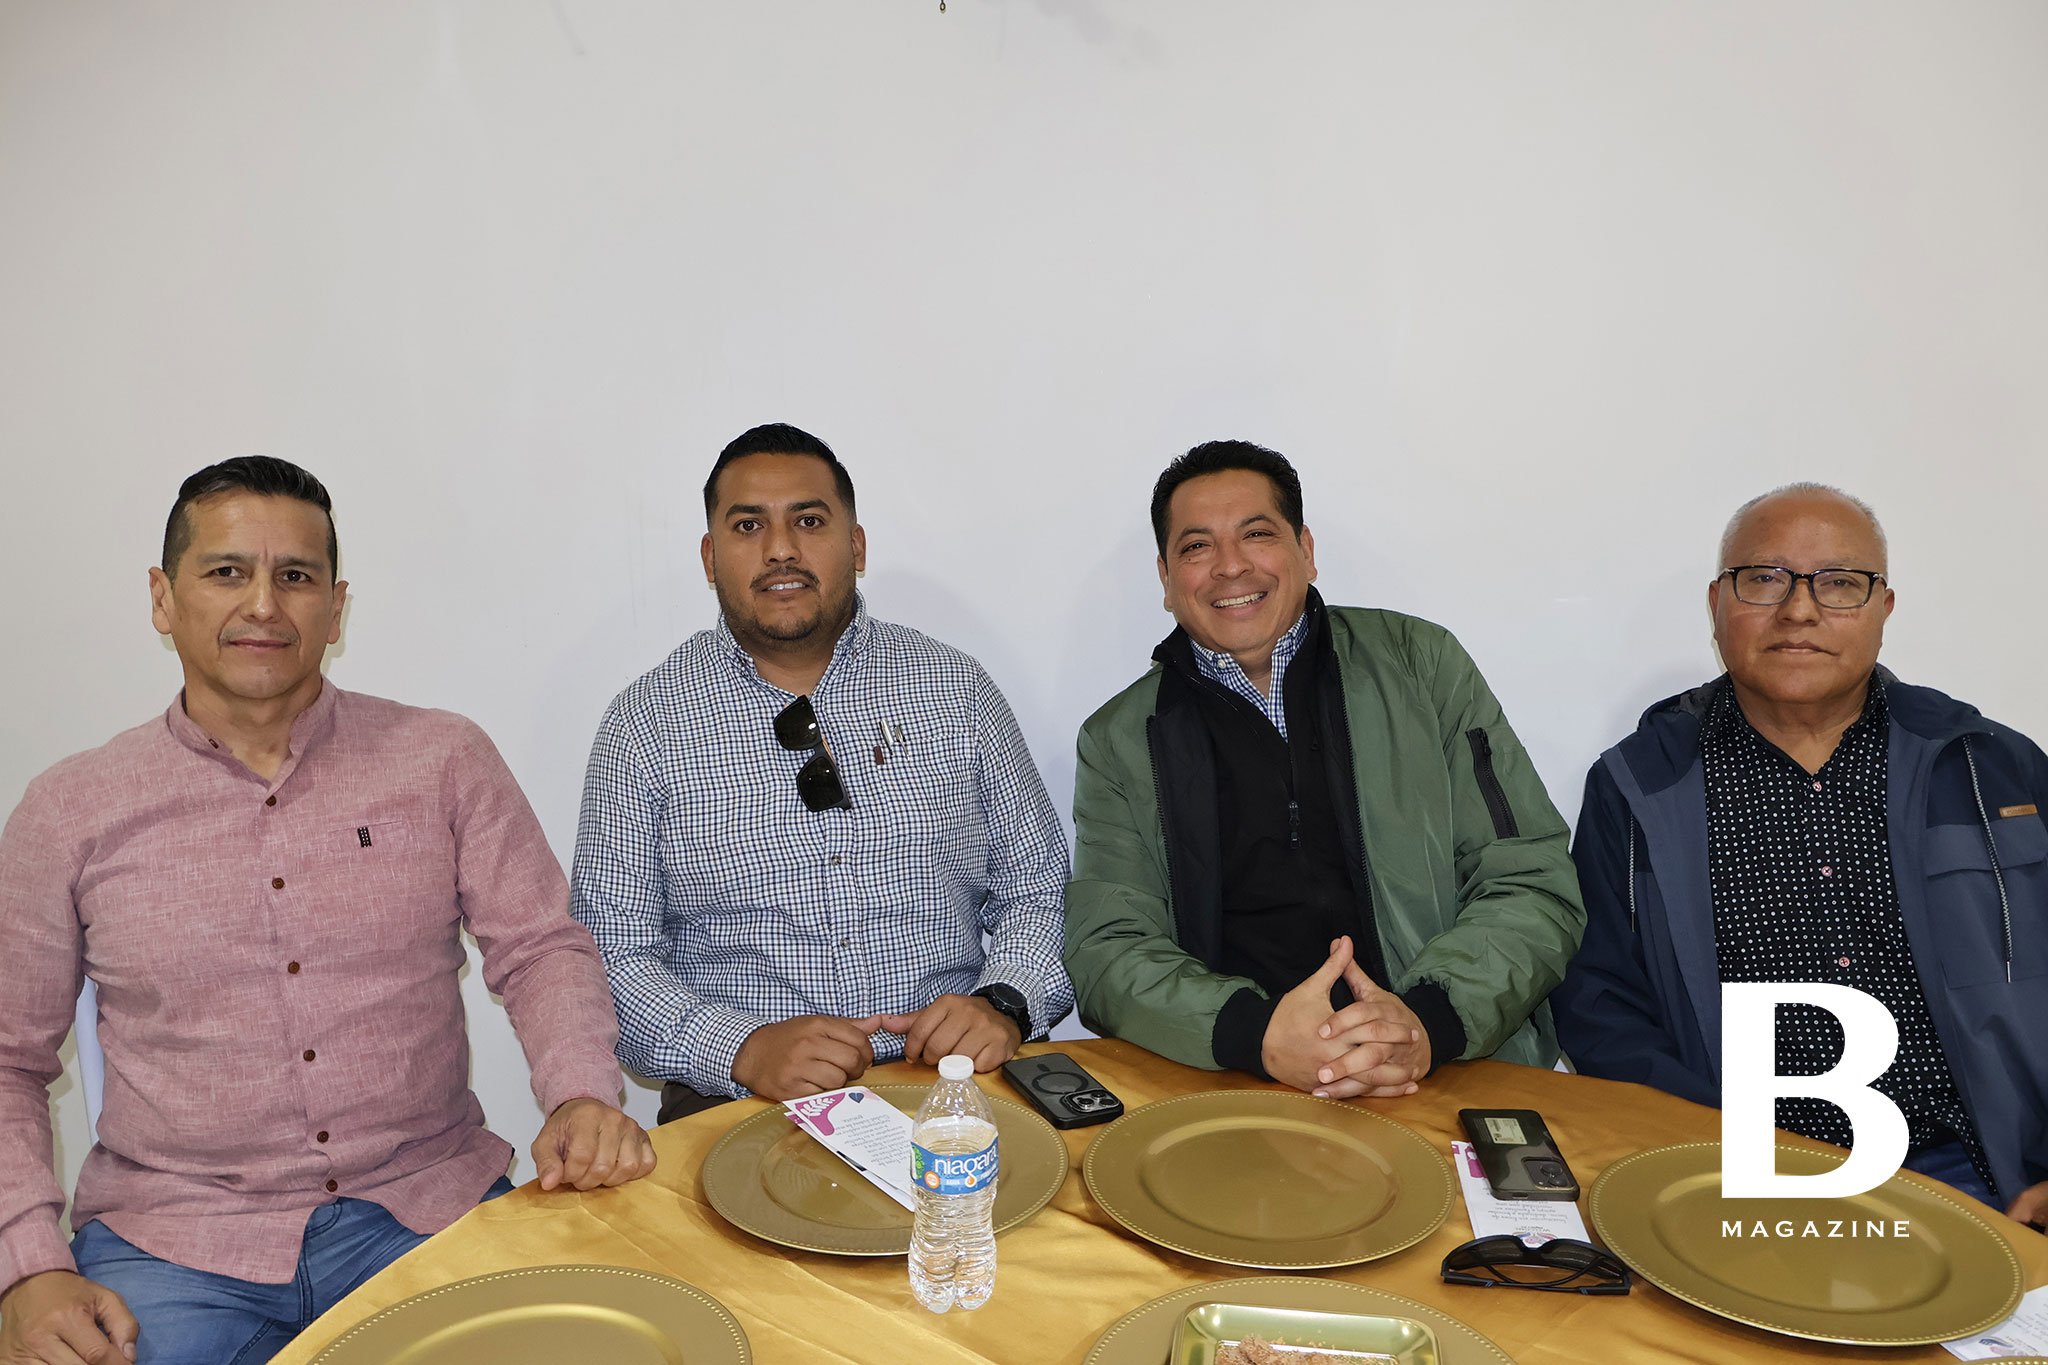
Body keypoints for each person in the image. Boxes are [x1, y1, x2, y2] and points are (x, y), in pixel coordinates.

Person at [0, 458, 654, 1365]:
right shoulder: (70, 809)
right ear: (162, 597)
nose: (263, 604)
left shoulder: (442, 758)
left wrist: (581, 1093)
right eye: (227, 571)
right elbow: (7, 1057)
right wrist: (27, 1265)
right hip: (174, 1244)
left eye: (296, 576)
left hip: (427, 1209)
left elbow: (542, 947)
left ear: (336, 608)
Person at [1554, 483, 2048, 1227]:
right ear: (1717, 604)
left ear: (1884, 608)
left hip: (1978, 1175)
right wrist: (1705, 1151)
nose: (1799, 610)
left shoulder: (1989, 769)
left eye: (1840, 583)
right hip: (1738, 1176)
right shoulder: (1639, 783)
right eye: (1765, 578)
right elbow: (1600, 1002)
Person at [572, 423, 1073, 1118]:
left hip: (950, 1082)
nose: (781, 548)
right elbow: (609, 952)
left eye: (809, 521)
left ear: (856, 546)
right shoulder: (646, 724)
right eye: (749, 525)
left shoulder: (955, 690)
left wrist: (1005, 1002)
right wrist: (741, 1048)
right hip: (740, 1099)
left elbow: (1041, 887)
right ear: (711, 557)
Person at [1064, 440, 1585, 1100]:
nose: (1230, 565)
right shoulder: (1118, 740)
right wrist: (1256, 1034)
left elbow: (1529, 879)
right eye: (1197, 547)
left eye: (1257, 534)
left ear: (1306, 551)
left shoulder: (1421, 666)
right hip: (1237, 1084)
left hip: (1448, 1065)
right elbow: (1108, 948)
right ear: (1167, 580)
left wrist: (1425, 1022)